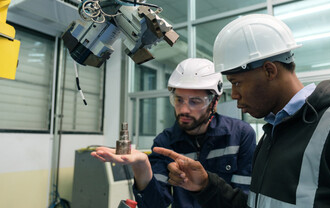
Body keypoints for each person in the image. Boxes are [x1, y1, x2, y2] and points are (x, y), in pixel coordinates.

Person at [153, 14, 330, 208]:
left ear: (269, 70)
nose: (233, 95)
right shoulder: (273, 134)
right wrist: (205, 186)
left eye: (237, 83)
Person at [91, 58, 256, 208]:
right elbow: (156, 204)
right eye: (179, 100)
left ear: (214, 101)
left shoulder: (240, 135)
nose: (184, 109)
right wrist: (142, 168)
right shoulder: (165, 142)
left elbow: (245, 201)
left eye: (195, 101)